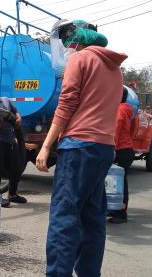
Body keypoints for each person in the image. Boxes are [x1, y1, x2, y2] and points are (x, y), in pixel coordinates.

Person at [36, 20, 127, 276]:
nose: (66, 51)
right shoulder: (114, 68)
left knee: (64, 218)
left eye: (67, 46)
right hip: (103, 149)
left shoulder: (80, 59)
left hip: (78, 146)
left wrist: (45, 146)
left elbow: (66, 104)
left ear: (75, 42)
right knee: (93, 217)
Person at [109, 87, 135, 224]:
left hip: (120, 150)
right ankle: (114, 208)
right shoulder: (125, 109)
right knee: (116, 181)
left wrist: (111, 149)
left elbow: (116, 129)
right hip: (124, 149)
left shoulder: (119, 109)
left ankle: (120, 213)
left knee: (119, 182)